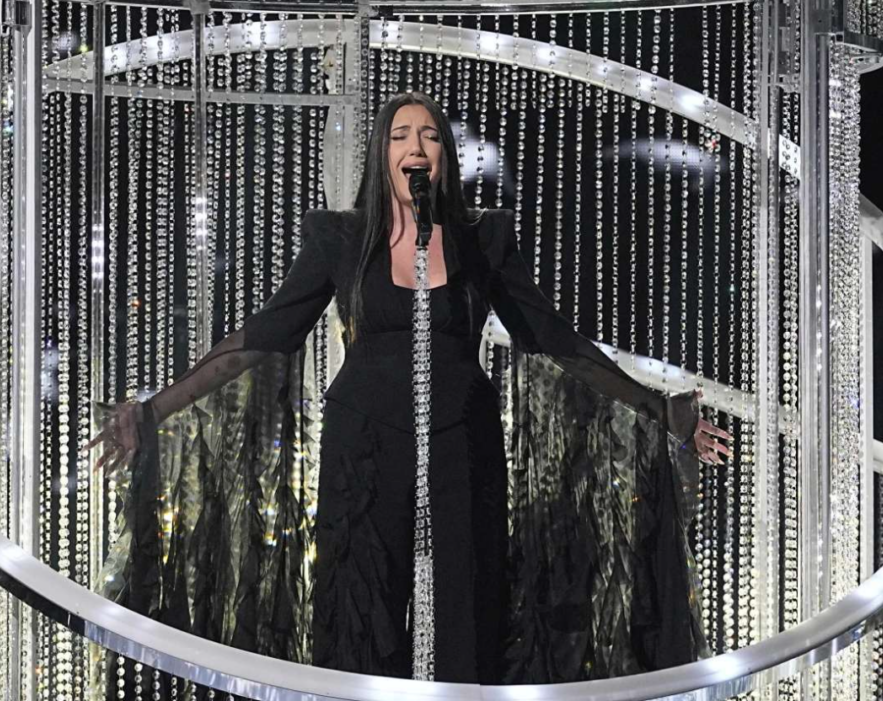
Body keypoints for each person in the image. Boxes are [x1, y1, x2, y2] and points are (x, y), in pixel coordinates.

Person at [87, 91, 732, 685]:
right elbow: (261, 337)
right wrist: (151, 410)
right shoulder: (341, 240)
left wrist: (661, 410)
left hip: (463, 448)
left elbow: (556, 340)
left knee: (466, 611)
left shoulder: (482, 241)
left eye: (429, 135)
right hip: (363, 449)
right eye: (400, 135)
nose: (416, 146)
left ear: (444, 157)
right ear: (382, 154)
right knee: (359, 610)